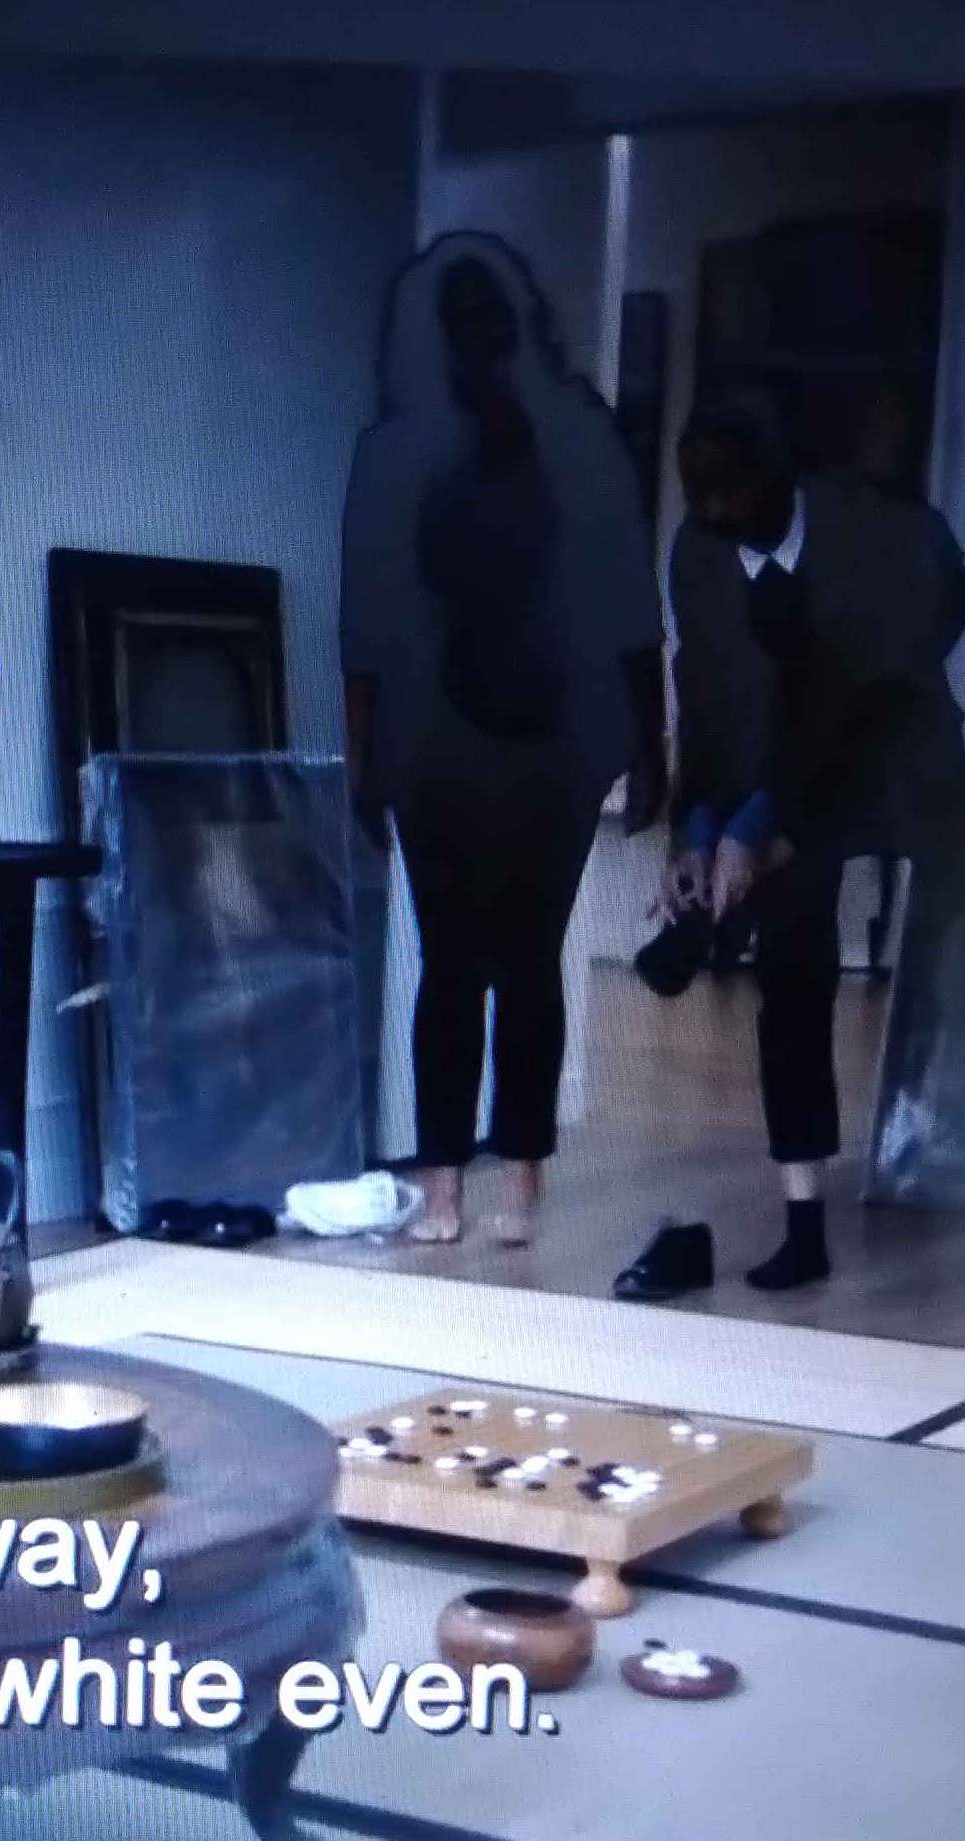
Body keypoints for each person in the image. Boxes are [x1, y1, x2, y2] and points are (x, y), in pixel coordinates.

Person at [342, 232, 667, 1248]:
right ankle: (479, 1181)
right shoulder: (416, 450)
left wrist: (652, 746)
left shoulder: (551, 439)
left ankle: (487, 1180)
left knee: (491, 961)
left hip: (525, 738)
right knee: (487, 960)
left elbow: (628, 603)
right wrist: (364, 768)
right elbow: (364, 627)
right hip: (473, 737)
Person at [616, 388, 965, 1298]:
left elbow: (854, 707)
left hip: (883, 745)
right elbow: (705, 694)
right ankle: (803, 1218)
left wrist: (763, 829)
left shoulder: (872, 541)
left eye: (730, 492)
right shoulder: (700, 551)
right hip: (771, 750)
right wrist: (699, 835)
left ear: (778, 478)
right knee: (790, 966)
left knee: (853, 924)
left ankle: (920, 1168)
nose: (714, 511)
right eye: (698, 494)